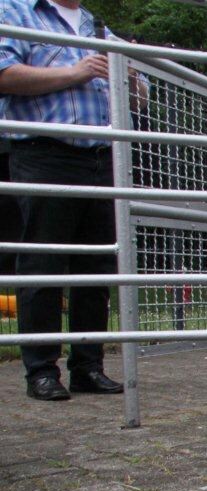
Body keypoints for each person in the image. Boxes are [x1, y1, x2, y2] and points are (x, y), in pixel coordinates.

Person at [0, 0, 144, 401]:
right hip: (45, 152)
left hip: (101, 155)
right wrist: (75, 71)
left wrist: (129, 76)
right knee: (43, 262)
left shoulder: (97, 26)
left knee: (97, 266)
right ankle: (42, 370)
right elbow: (4, 73)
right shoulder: (15, 12)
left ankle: (88, 366)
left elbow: (140, 99)